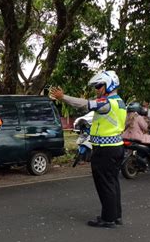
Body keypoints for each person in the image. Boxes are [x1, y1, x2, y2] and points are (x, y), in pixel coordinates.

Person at [50, 70, 126, 228]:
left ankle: (108, 219)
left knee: (104, 184)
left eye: (99, 86)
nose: (97, 89)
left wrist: (63, 97)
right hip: (115, 147)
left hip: (105, 150)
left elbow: (84, 104)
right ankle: (115, 215)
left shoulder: (106, 103)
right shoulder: (119, 102)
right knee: (112, 183)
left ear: (109, 85)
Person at [122, 103, 150, 167]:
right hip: (137, 138)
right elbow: (145, 127)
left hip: (125, 137)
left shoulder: (125, 117)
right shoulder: (138, 117)